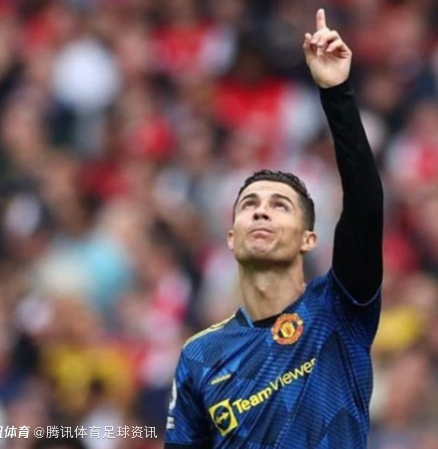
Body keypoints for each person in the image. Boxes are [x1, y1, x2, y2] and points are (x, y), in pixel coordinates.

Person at [164, 8, 383, 449]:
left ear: (308, 239)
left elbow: (364, 205)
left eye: (279, 206)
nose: (261, 213)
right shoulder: (200, 356)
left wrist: (336, 92)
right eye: (249, 205)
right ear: (231, 237)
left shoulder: (339, 308)